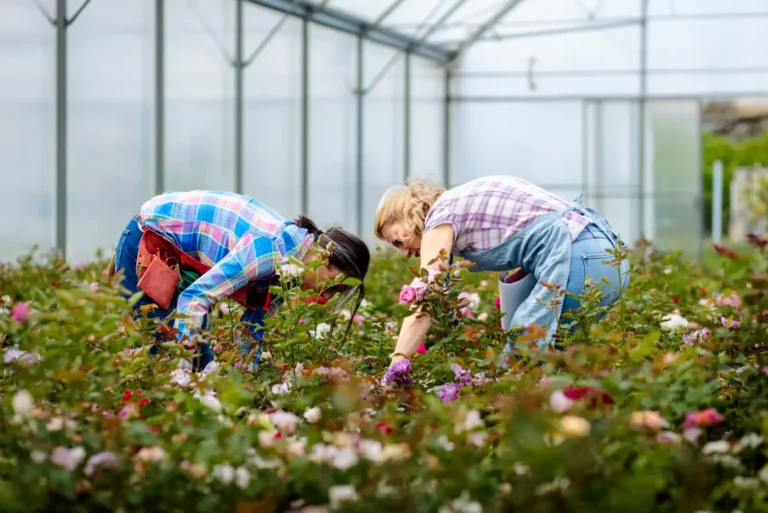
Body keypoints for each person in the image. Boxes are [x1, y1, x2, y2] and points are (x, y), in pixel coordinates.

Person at [373, 176, 630, 365]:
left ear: (408, 214)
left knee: (524, 354)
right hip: (607, 259)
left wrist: (396, 364)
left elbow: (425, 304)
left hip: (577, 255)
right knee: (557, 356)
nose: (405, 253)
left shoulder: (440, 216)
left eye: (397, 240)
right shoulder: (459, 204)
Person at [109, 190, 370, 372]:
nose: (325, 297)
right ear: (325, 257)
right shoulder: (271, 250)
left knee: (201, 362)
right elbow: (195, 299)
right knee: (155, 350)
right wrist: (182, 379)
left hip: (185, 261)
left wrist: (248, 385)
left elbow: (251, 330)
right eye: (334, 285)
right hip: (151, 237)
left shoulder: (290, 269)